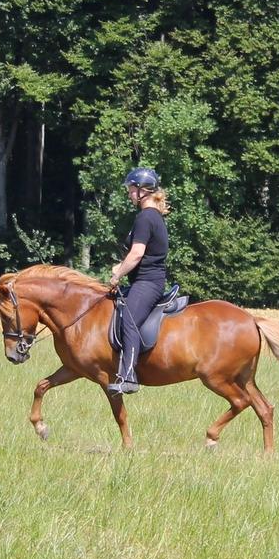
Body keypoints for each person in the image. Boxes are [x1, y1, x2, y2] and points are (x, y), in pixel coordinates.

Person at [107, 166, 170, 395]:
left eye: (132, 189)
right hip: (144, 280)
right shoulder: (152, 216)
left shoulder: (145, 217)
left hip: (147, 282)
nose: (129, 193)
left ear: (143, 191)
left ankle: (128, 377)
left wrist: (117, 275)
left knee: (129, 320)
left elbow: (136, 254)